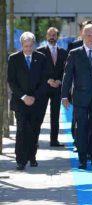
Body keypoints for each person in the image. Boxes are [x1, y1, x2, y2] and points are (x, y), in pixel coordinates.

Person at [61, 24, 92, 170]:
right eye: (88, 35)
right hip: (80, 97)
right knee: (82, 127)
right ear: (83, 36)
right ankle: (82, 158)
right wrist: (64, 96)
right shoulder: (74, 53)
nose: (91, 38)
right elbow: (67, 76)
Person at [8, 32, 48, 170]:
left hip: (37, 101)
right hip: (20, 101)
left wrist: (34, 97)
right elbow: (11, 81)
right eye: (26, 46)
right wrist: (24, 97)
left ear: (34, 44)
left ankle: (32, 157)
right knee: (21, 129)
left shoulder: (41, 58)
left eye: (31, 46)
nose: (28, 49)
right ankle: (20, 159)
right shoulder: (14, 59)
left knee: (34, 129)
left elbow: (44, 80)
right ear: (22, 45)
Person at [37, 27, 68, 147]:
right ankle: (35, 141)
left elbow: (66, 70)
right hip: (44, 88)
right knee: (39, 114)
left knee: (55, 115)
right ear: (46, 36)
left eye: (54, 35)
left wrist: (60, 80)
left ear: (57, 36)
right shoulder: (40, 51)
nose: (52, 37)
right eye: (50, 34)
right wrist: (48, 80)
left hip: (57, 88)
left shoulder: (63, 52)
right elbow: (37, 71)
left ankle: (54, 140)